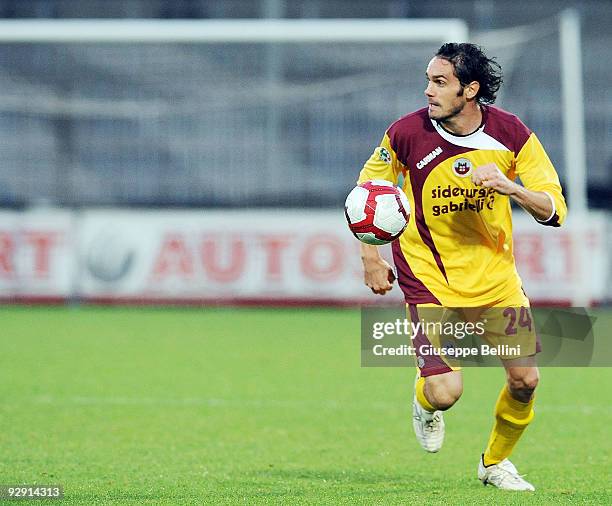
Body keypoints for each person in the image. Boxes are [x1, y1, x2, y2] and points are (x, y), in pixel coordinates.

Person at [357, 43, 566, 491]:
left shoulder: (512, 135)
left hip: (495, 280)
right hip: (427, 275)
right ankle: (425, 399)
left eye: (439, 82)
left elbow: (554, 208)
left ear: (469, 90)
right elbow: (368, 193)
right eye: (428, 80)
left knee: (526, 381)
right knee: (446, 394)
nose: (428, 91)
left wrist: (513, 189)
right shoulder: (405, 133)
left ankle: (494, 464)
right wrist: (370, 256)